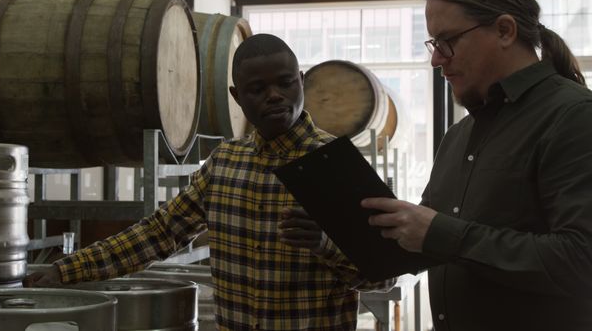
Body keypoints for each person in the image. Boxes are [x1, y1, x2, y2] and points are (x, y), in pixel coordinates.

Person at [24, 33, 394, 330]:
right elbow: (159, 233)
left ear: (300, 81)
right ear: (236, 97)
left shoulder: (338, 165)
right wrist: (66, 270)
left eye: (284, 83)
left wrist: (324, 244)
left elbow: (384, 278)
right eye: (257, 89)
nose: (274, 96)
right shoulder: (225, 164)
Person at [362, 0, 592, 331]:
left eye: (447, 41)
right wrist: (339, 232)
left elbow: (586, 265)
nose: (436, 59)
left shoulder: (574, 117)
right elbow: (426, 242)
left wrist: (441, 233)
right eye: (434, 43)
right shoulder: (459, 135)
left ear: (505, 31)